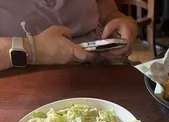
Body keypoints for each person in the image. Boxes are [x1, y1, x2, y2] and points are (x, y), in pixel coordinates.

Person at [0, 0, 138, 71]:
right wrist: (33, 49)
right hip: (28, 85)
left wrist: (121, 20)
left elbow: (106, 8)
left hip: (107, 70)